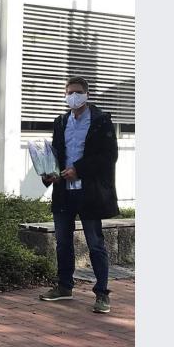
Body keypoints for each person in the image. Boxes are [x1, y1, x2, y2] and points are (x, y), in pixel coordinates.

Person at [38, 76, 119, 313]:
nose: (73, 97)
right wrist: (48, 174)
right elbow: (55, 153)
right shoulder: (61, 122)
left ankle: (102, 293)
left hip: (90, 193)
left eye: (77, 92)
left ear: (86, 95)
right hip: (64, 192)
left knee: (95, 243)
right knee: (63, 242)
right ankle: (64, 287)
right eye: (69, 92)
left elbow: (108, 157)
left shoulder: (101, 121)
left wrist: (79, 170)